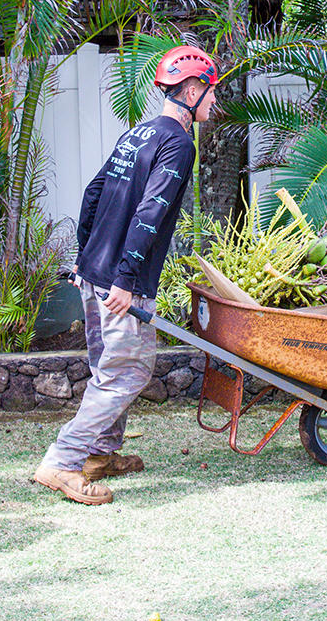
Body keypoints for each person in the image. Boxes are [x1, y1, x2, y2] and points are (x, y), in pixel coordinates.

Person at [32, 45, 219, 504]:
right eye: (211, 93)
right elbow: (151, 213)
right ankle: (63, 461)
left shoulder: (138, 133)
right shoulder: (177, 142)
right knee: (126, 372)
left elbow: (94, 191)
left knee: (106, 366)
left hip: (93, 271)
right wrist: (126, 279)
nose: (214, 102)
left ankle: (102, 452)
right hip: (119, 281)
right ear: (191, 91)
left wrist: (83, 256)